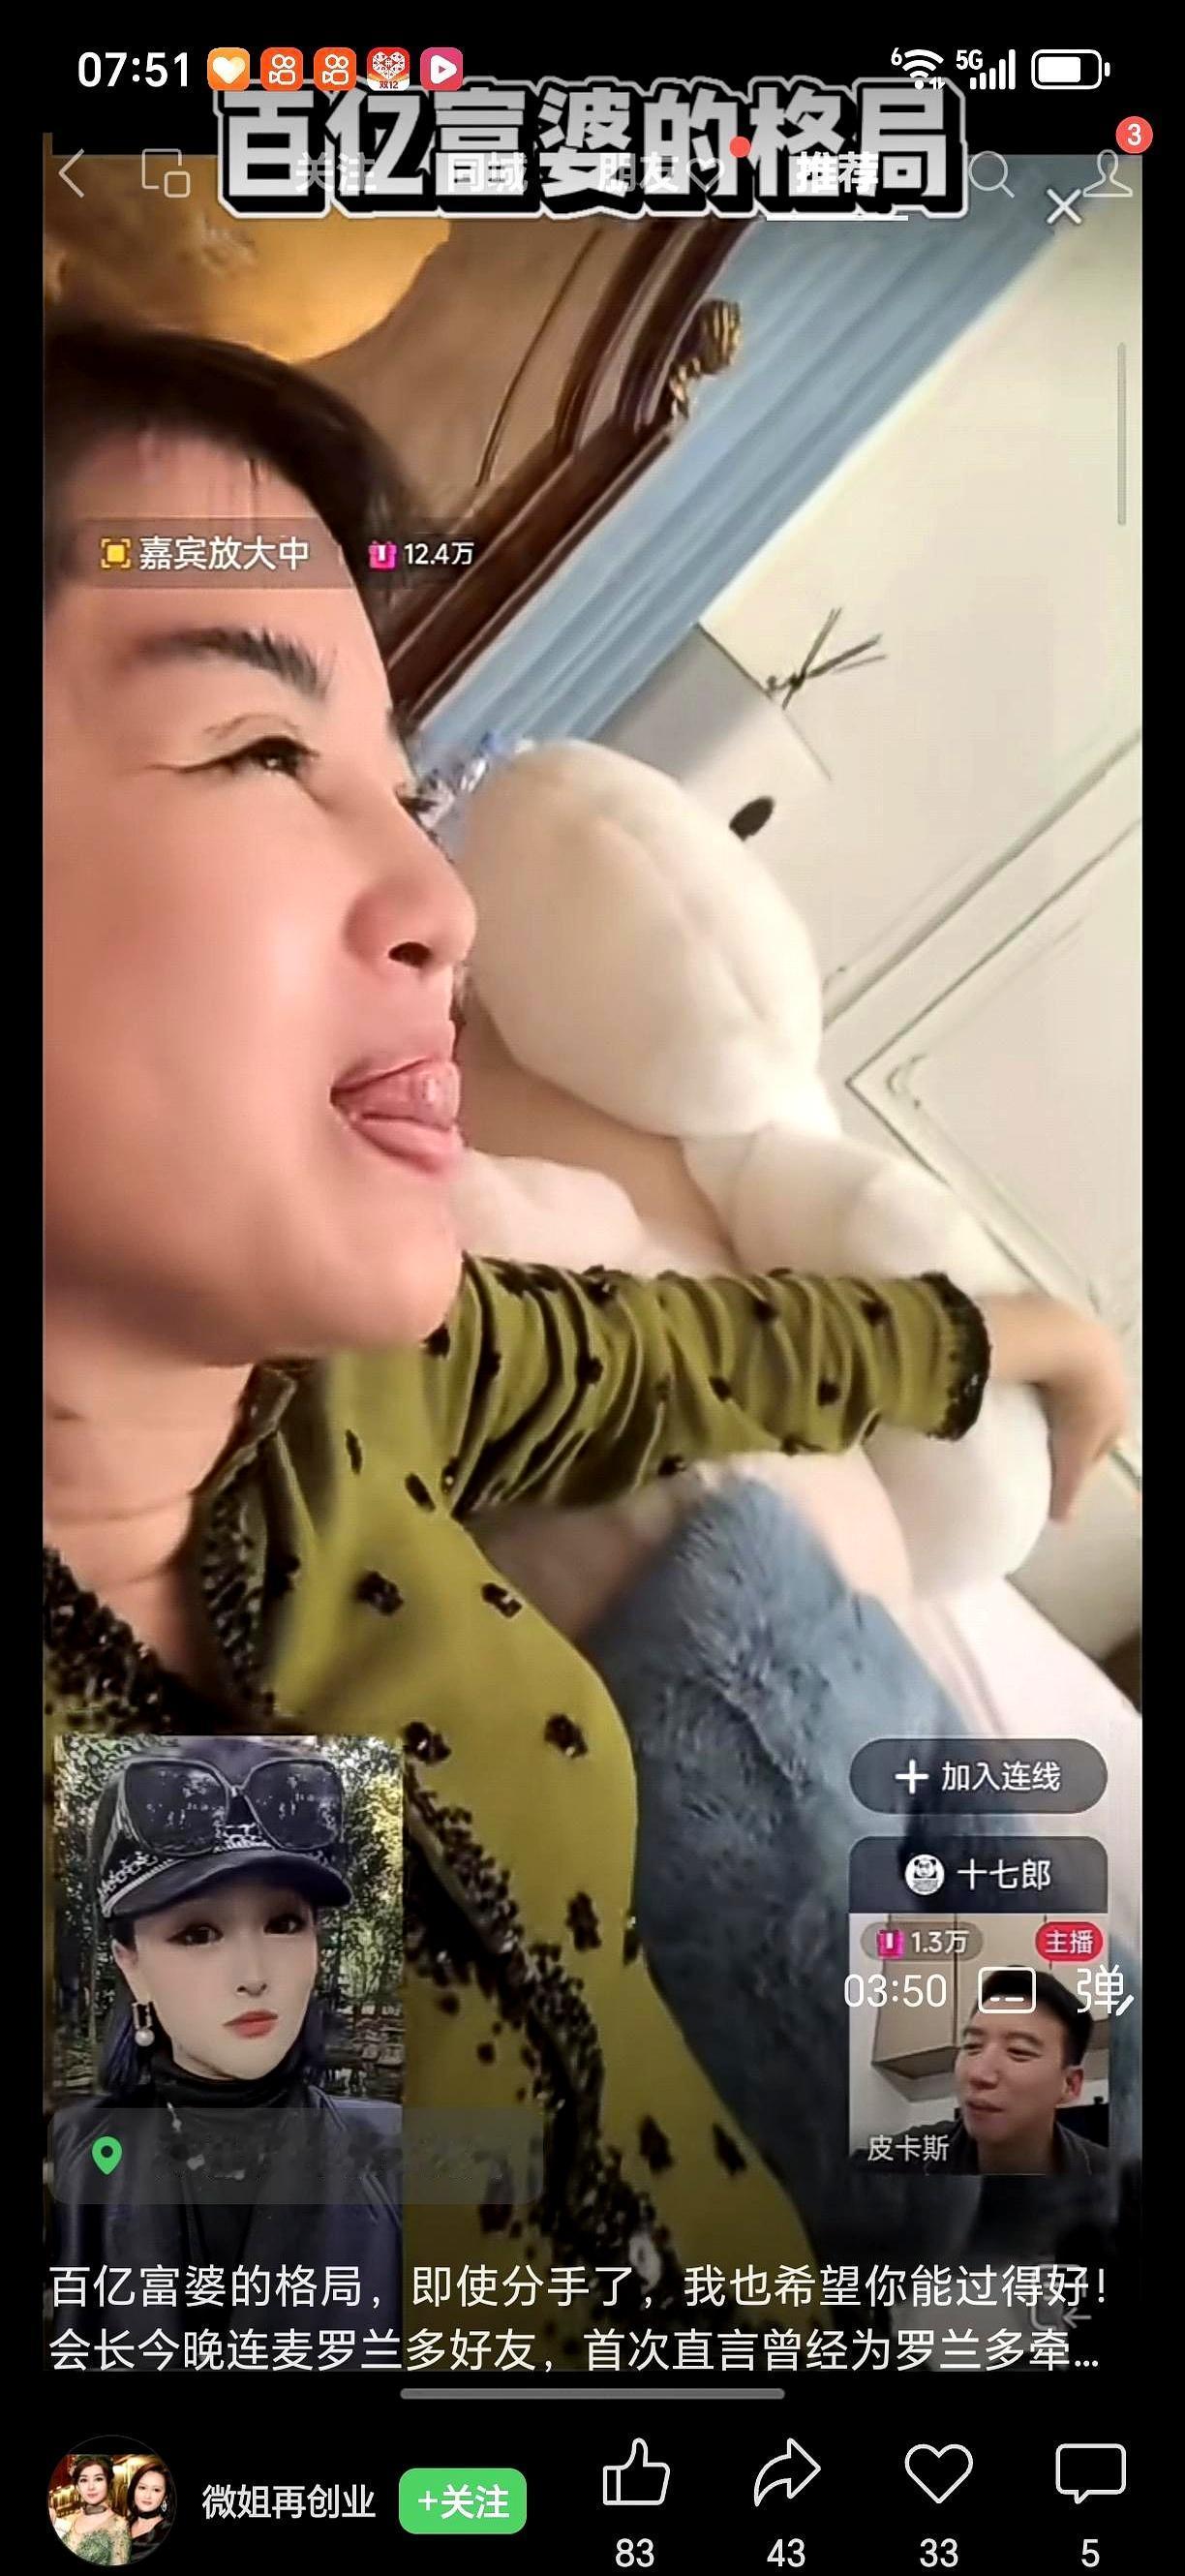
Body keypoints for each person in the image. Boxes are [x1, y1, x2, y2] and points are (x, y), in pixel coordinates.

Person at [43, 317, 1129, 2355]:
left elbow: (678, 1357)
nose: (438, 899)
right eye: (263, 749)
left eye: (399, 781)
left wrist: (1012, 1339)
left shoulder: (341, 1404)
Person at [50, 1739, 400, 2364]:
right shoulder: (71, 2165)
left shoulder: (401, 2158)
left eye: (284, 1924)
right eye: (198, 1933)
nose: (254, 1975)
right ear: (131, 1964)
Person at [880, 1970, 1110, 2177]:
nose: (978, 2074)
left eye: (1019, 2051)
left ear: (1069, 2085)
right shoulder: (905, 2158)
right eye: (972, 2046)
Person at [52, 2455, 130, 2563]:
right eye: (84, 2480)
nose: (91, 2487)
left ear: (108, 2483)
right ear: (77, 2487)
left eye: (98, 2479)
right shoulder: (68, 2521)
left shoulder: (119, 2526)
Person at [125, 2461, 174, 2557]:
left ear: (165, 2497)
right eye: (142, 2488)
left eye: (156, 2490)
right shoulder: (123, 2524)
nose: (147, 2496)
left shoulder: (166, 2531)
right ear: (134, 2490)